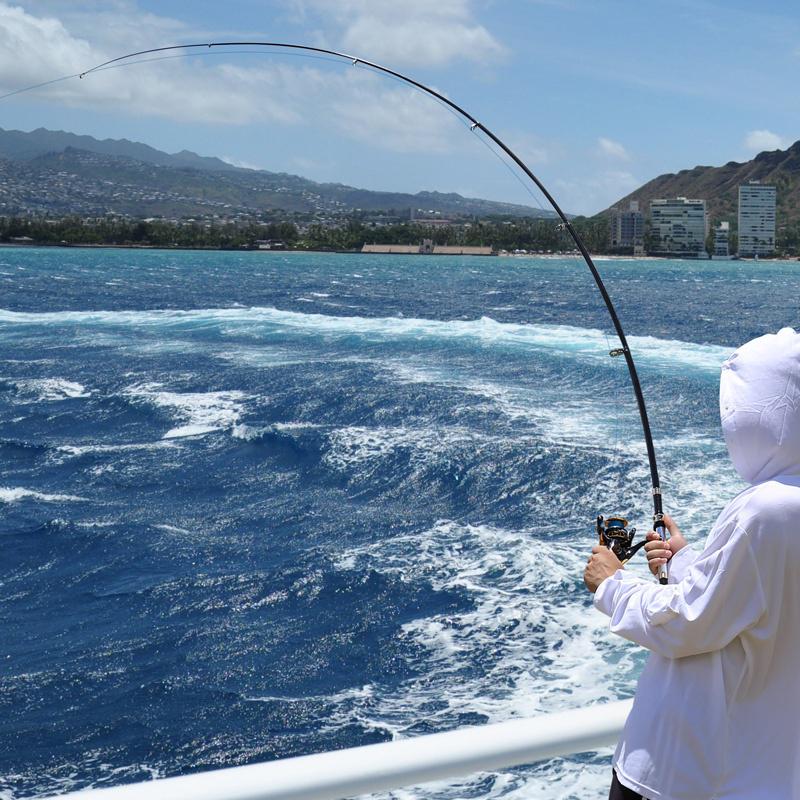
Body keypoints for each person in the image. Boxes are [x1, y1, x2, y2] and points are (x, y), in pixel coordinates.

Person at [583, 327, 800, 800]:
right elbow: (760, 596)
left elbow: (689, 623)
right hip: (767, 777)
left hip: (686, 777)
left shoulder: (767, 510)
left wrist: (611, 585)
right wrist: (683, 562)